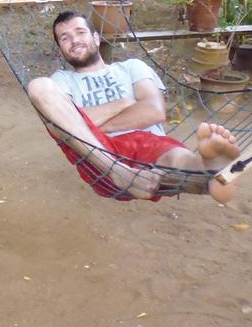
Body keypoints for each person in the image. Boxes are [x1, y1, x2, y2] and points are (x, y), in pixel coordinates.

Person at [26, 11, 240, 203]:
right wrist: (123, 103)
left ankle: (211, 172)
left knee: (175, 159)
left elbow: (154, 111)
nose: (74, 41)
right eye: (65, 38)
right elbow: (58, 127)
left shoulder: (131, 67)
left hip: (146, 142)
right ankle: (120, 171)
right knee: (38, 86)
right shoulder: (61, 80)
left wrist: (81, 125)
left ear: (96, 38)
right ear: (61, 49)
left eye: (80, 32)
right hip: (98, 153)